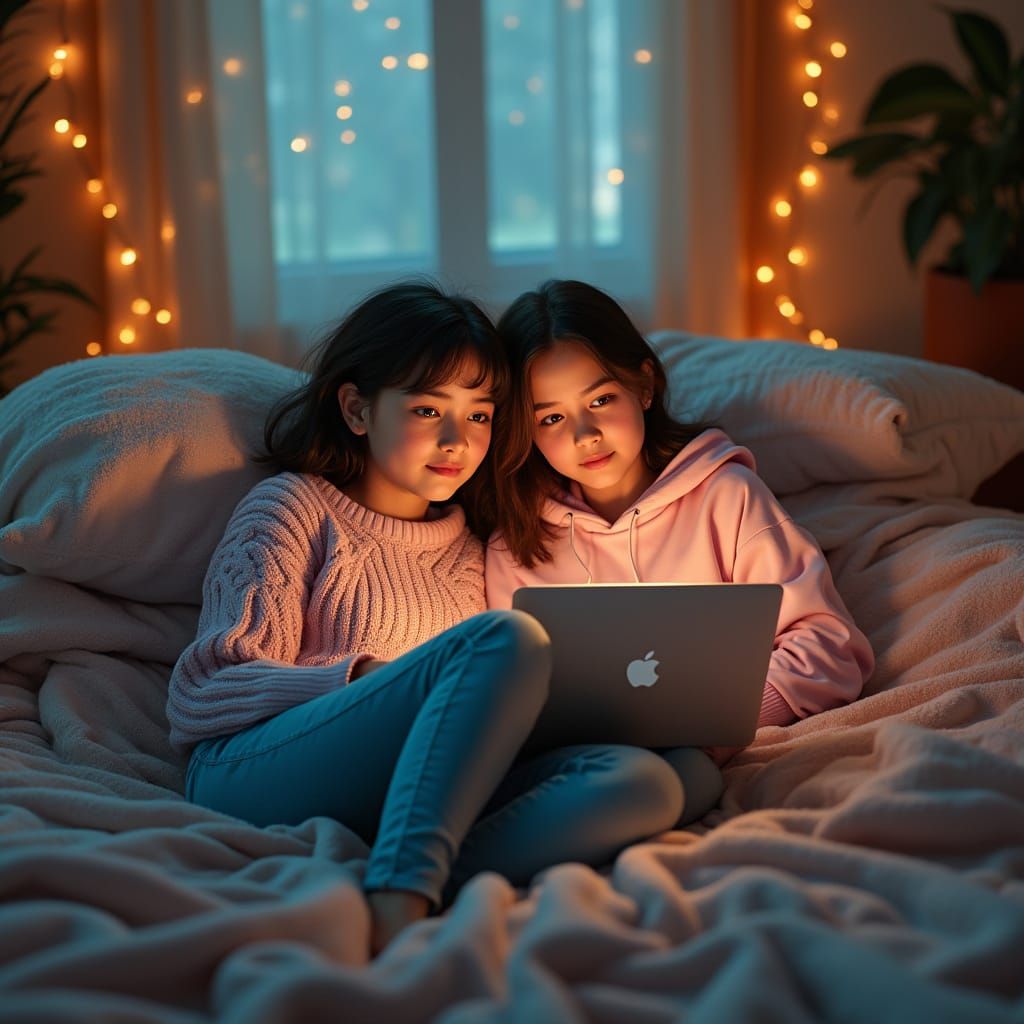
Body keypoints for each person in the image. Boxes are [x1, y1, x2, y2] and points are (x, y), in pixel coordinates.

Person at [165, 281, 686, 958]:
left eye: (479, 416)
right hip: (253, 768)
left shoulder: (476, 549)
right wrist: (366, 680)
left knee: (647, 780)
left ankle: (427, 872)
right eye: (427, 409)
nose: (456, 440)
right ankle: (398, 898)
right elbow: (202, 692)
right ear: (356, 408)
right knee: (506, 640)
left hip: (402, 789)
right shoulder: (292, 509)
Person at [486, 279, 875, 820]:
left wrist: (717, 723)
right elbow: (514, 684)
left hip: (696, 749)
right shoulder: (518, 543)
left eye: (601, 399)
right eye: (551, 417)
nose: (586, 433)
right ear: (524, 430)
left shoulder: (727, 498)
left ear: (643, 386)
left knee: (685, 779)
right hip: (577, 760)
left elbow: (832, 647)